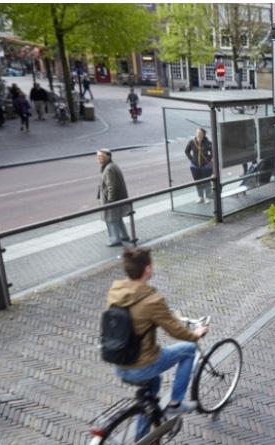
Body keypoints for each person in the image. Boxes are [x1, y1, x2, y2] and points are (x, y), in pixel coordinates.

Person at [106, 247, 208, 439]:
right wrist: (195, 334)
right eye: (151, 264)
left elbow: (142, 318)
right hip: (141, 366)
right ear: (147, 270)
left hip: (119, 364)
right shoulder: (152, 300)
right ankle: (175, 404)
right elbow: (174, 330)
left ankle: (144, 439)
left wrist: (167, 315)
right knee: (188, 349)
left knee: (154, 385)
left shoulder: (115, 292)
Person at [97, 148, 132, 247]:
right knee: (117, 218)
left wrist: (110, 200)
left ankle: (115, 239)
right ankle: (124, 235)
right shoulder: (112, 165)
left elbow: (112, 186)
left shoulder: (108, 169)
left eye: (100, 157)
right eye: (98, 157)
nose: (98, 159)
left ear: (107, 157)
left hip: (112, 200)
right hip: (117, 199)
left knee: (111, 219)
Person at [184, 128, 214, 203]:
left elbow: (213, 152)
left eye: (200, 133)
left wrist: (209, 158)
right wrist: (191, 159)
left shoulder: (208, 143)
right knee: (197, 182)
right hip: (195, 167)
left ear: (204, 135)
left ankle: (207, 197)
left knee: (206, 182)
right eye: (197, 133)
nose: (198, 135)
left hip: (206, 166)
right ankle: (200, 197)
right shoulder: (192, 142)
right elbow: (187, 151)